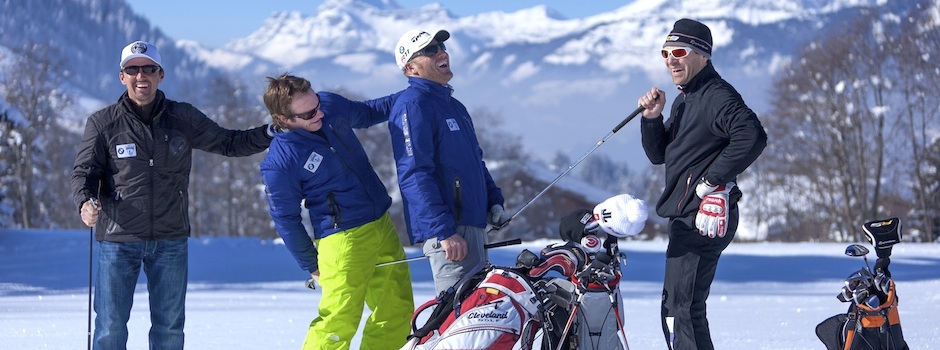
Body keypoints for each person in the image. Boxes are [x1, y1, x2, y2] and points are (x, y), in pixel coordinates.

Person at [70, 40, 274, 350]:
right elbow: (84, 172)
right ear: (121, 77)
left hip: (170, 239)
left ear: (161, 74)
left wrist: (271, 132)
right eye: (133, 70)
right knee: (110, 327)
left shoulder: (184, 118)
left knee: (169, 328)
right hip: (118, 240)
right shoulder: (103, 123)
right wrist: (85, 201)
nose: (142, 76)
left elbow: (229, 143)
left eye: (149, 69)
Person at [636, 19, 768, 350]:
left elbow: (752, 136)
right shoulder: (686, 99)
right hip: (686, 215)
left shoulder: (716, 95)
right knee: (674, 309)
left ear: (703, 56)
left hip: (705, 215)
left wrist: (712, 181)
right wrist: (652, 118)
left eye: (679, 52)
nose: (670, 60)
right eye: (665, 53)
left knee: (684, 309)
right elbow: (660, 155)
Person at [259, 73, 413, 350]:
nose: (319, 114)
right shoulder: (281, 161)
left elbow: (369, 112)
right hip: (342, 240)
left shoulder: (328, 107)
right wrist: (311, 264)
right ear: (283, 119)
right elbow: (286, 219)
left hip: (380, 223)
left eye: (317, 104)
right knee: (338, 322)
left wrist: (420, 91)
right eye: (308, 114)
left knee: (397, 310)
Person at [389, 29, 510, 294]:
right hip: (450, 235)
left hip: (471, 228)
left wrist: (494, 201)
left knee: (480, 319)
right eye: (430, 50)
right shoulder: (413, 105)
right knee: (456, 323)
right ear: (411, 68)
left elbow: (475, 163)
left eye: (441, 46)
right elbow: (414, 174)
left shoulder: (454, 106)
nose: (442, 52)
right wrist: (443, 230)